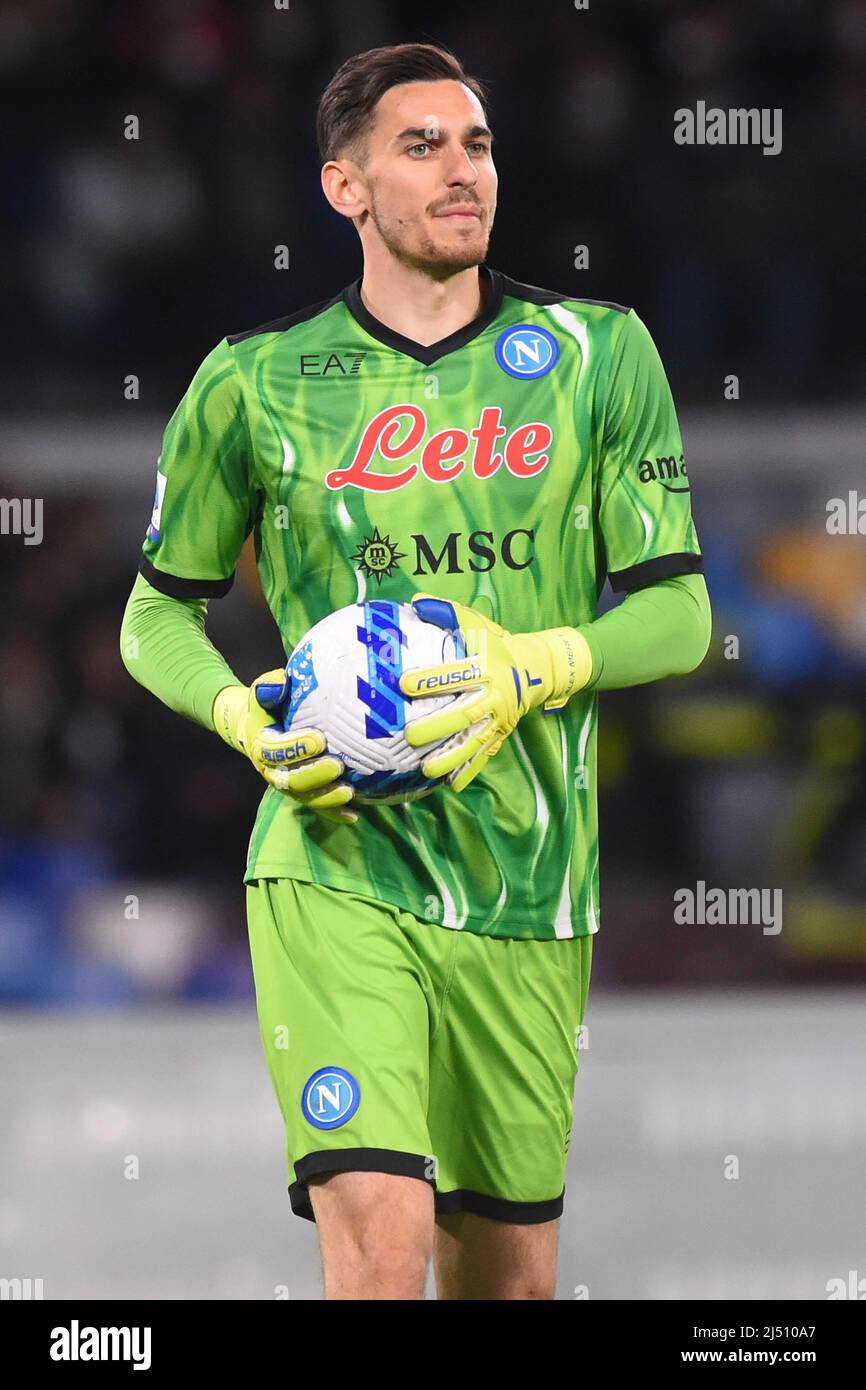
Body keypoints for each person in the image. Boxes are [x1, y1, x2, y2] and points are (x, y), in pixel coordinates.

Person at [120, 41, 711, 1300]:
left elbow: (676, 614)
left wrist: (535, 666)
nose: (462, 170)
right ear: (344, 187)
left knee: (507, 1285)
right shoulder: (253, 381)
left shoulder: (599, 355)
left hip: (530, 883)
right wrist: (238, 713)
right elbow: (152, 615)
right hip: (332, 858)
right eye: (422, 144)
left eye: (478, 143)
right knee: (382, 1250)